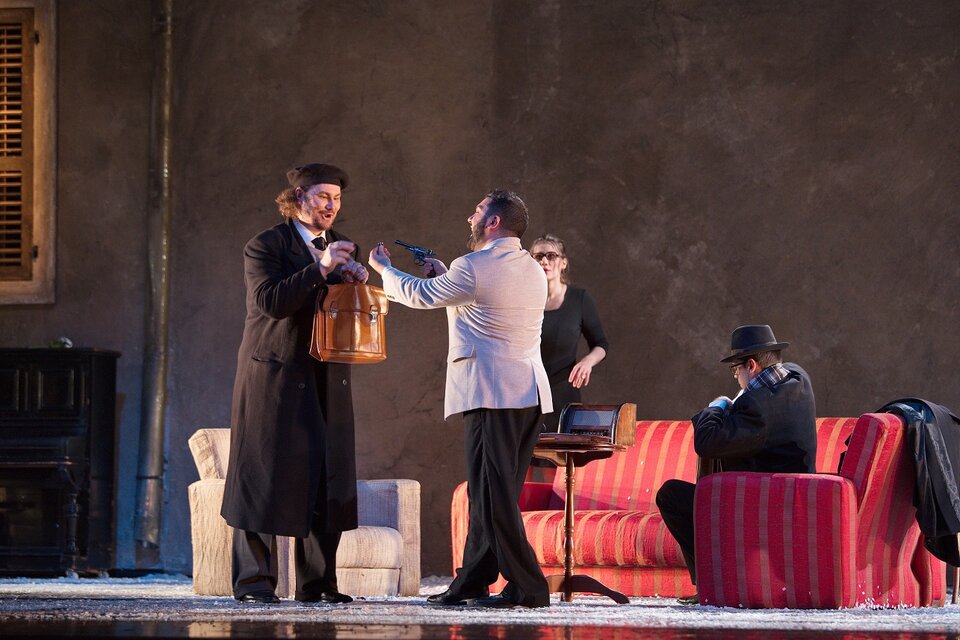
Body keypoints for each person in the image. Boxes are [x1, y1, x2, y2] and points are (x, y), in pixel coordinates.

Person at [368, 190, 553, 609]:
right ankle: (473, 579)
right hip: (526, 392)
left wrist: (385, 270)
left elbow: (422, 296)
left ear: (493, 222)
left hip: (492, 393)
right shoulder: (530, 267)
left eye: (478, 210)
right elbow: (480, 306)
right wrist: (443, 274)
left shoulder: (473, 266)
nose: (470, 216)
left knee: (491, 497)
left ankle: (529, 587)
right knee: (491, 493)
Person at [221, 163, 368, 604]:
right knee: (262, 473)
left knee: (326, 473)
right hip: (276, 374)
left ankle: (318, 584)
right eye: (323, 196)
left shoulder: (342, 245)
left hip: (326, 374)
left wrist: (355, 283)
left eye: (337, 198)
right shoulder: (265, 245)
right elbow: (271, 302)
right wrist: (321, 268)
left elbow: (340, 311)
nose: (331, 205)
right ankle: (254, 582)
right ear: (299, 197)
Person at [655, 324, 817, 605]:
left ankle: (710, 585)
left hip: (765, 507)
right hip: (795, 498)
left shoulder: (757, 405)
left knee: (670, 495)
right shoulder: (798, 378)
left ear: (751, 365)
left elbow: (707, 442)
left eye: (735, 370)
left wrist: (717, 406)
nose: (736, 378)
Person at [528, 233, 609, 433]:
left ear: (563, 262)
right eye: (538, 256)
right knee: (524, 451)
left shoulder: (579, 299)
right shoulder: (523, 300)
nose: (544, 261)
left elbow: (601, 344)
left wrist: (587, 361)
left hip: (563, 394)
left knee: (560, 450)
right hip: (527, 394)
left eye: (551, 256)